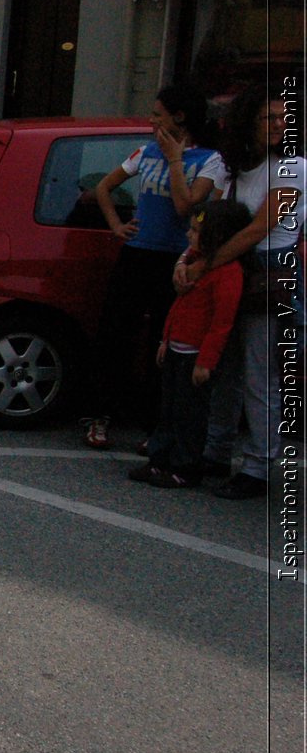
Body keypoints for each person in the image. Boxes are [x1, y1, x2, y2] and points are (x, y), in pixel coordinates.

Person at [80, 83, 226, 449]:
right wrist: (116, 225)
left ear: (180, 117)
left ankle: (156, 425)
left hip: (175, 259)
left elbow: (186, 207)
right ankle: (99, 415)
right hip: (137, 253)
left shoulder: (209, 160)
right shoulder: (145, 152)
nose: (151, 120)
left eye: (157, 114)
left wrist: (175, 160)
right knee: (115, 334)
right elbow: (104, 187)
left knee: (165, 343)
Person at [179, 82, 302, 499]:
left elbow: (258, 228)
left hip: (269, 275)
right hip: (232, 268)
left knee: (257, 374)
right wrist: (188, 259)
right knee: (225, 369)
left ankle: (258, 466)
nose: (279, 124)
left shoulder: (293, 168)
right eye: (269, 117)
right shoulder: (232, 168)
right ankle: (217, 451)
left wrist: (202, 266)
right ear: (248, 122)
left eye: (285, 117)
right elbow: (208, 222)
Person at [130, 201, 250, 488]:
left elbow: (222, 322)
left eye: (196, 231)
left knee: (190, 416)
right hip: (177, 350)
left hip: (195, 356)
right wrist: (166, 340)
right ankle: (160, 461)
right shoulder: (194, 264)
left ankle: (186, 467)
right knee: (168, 410)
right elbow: (179, 307)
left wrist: (206, 362)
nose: (189, 235)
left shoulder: (227, 273)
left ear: (217, 237)